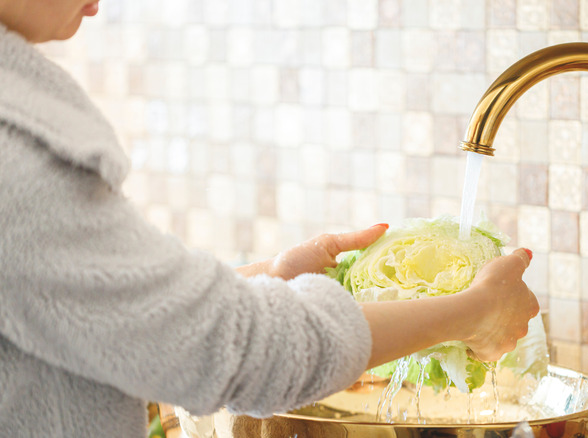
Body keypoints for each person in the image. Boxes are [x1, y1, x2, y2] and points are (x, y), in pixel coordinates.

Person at [0, 1, 540, 437]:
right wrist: (476, 313)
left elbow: (110, 317)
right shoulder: (16, 151)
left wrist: (273, 278)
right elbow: (221, 348)